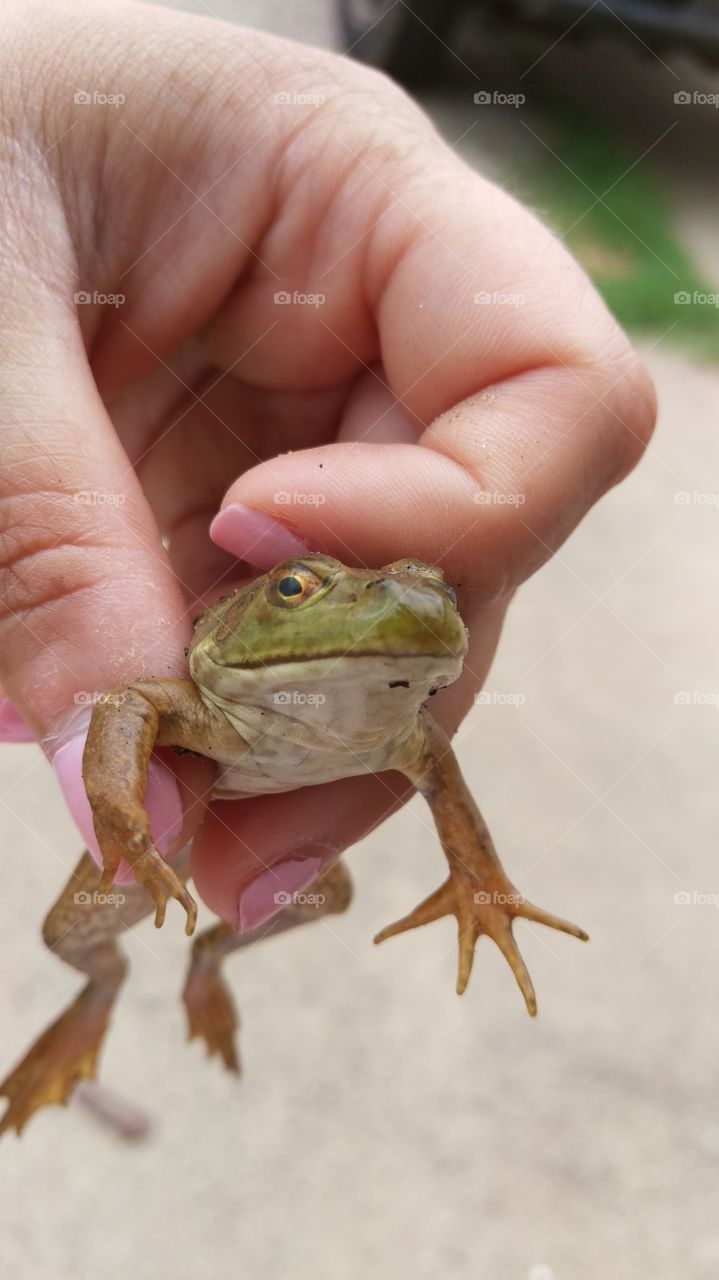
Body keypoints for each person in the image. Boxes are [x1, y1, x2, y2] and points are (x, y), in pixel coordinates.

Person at [0, 0, 655, 931]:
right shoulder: (196, 704)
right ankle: (99, 989)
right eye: (298, 588)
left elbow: (441, 784)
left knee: (294, 896)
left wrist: (479, 886)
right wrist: (119, 806)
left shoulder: (406, 734)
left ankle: (210, 968)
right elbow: (129, 702)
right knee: (76, 931)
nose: (401, 603)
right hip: (203, 758)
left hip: (253, 784)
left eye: (425, 588)